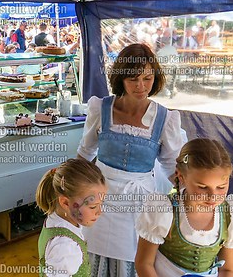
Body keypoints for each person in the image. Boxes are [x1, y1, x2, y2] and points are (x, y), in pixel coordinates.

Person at [77, 43, 185, 276]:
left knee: (133, 260)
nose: (141, 86)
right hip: (99, 200)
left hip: (139, 203)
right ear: (121, 79)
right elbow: (85, 154)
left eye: (147, 78)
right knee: (94, 258)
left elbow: (170, 165)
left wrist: (188, 192)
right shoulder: (101, 108)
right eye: (133, 79)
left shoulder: (164, 119)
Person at [135, 138, 233, 277]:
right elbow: (144, 263)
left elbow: (227, 269)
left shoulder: (229, 215)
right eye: (203, 187)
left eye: (221, 187)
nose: (212, 196)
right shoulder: (163, 210)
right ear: (181, 176)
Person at [36, 159, 107, 277]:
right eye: (93, 206)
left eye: (101, 203)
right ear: (65, 203)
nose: (100, 212)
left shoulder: (57, 218)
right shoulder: (65, 246)